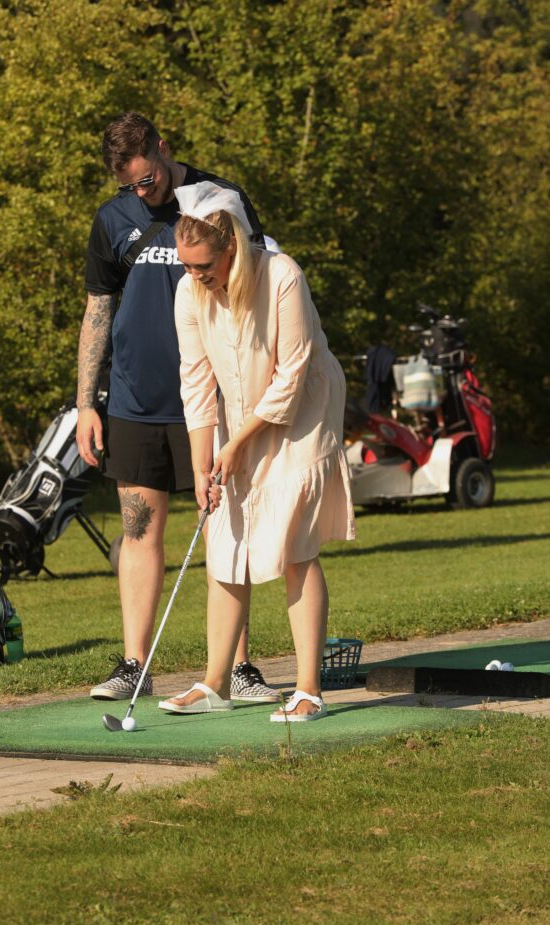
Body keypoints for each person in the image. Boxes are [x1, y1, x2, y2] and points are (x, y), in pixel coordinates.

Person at [76, 113, 279, 704]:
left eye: (148, 179)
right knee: (139, 531)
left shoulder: (219, 201)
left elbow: (259, 287)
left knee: (224, 530)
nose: (142, 192)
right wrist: (86, 403)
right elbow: (97, 309)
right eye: (131, 185)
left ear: (163, 148)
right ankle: (133, 665)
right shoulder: (113, 218)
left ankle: (238, 669)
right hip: (136, 401)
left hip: (215, 401)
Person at [158, 182, 355, 722]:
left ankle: (309, 689)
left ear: (232, 249)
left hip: (303, 414)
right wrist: (203, 465)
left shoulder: (283, 276)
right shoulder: (188, 294)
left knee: (295, 545)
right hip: (238, 413)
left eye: (203, 266)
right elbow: (196, 384)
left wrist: (238, 441)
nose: (194, 276)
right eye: (187, 266)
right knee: (225, 539)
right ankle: (215, 682)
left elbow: (291, 379)